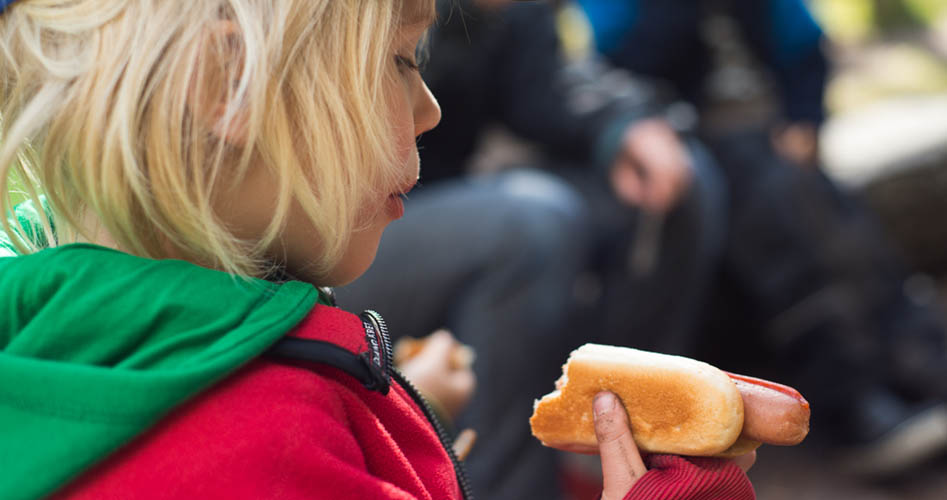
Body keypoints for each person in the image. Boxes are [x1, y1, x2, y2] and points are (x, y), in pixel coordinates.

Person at [0, 1, 756, 499]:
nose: (428, 108)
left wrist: (393, 399)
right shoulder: (277, 444)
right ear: (227, 85)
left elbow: (544, 83)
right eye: (401, 60)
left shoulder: (54, 336)